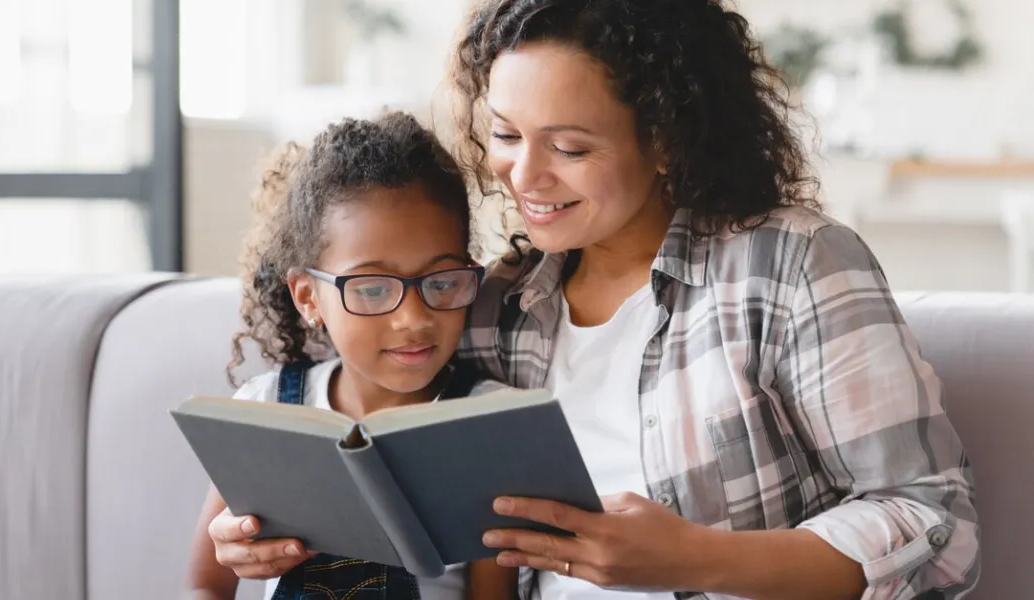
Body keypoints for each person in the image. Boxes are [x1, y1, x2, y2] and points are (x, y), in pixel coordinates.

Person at [206, 1, 980, 599]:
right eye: (506, 135)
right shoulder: (496, 307)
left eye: (570, 147)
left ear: (666, 138)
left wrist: (696, 557)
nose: (525, 177)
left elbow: (933, 522)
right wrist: (256, 529)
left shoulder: (790, 267)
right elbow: (349, 378)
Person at [186, 112, 517, 600]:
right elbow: (205, 585)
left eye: (443, 281)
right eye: (372, 289)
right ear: (308, 297)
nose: (413, 318)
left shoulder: (486, 424)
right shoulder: (265, 409)